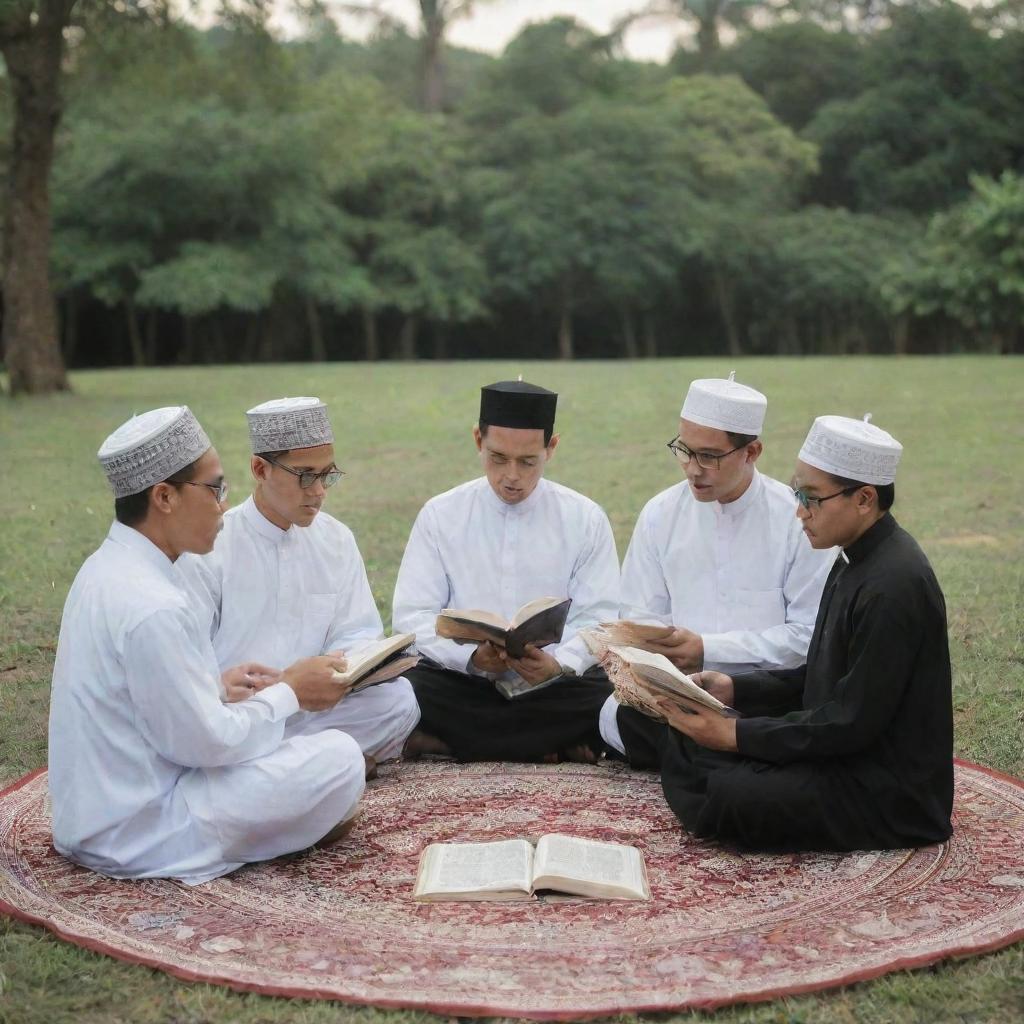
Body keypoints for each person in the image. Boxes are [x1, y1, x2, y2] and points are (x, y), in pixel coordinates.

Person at [49, 406, 366, 885]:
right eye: (215, 489)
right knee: (339, 759)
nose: (223, 505)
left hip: (95, 815)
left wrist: (214, 689)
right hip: (142, 830)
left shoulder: (106, 569)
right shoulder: (154, 604)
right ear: (164, 498)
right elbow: (206, 744)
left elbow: (144, 702)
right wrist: (290, 693)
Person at [613, 414, 954, 851]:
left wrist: (735, 736)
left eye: (812, 499)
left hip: (888, 788)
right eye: (798, 494)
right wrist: (735, 689)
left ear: (864, 499)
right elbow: (821, 674)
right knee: (692, 742)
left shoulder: (894, 585)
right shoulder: (853, 558)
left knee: (736, 792)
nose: (799, 511)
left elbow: (851, 722)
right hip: (841, 751)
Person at [177, 397, 419, 776]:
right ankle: (325, 760)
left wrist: (346, 667)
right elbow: (191, 663)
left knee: (399, 701)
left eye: (327, 475)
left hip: (314, 711)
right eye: (305, 475)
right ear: (260, 469)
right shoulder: (215, 546)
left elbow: (358, 632)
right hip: (244, 710)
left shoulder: (336, 539)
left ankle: (300, 761)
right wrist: (257, 690)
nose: (319, 490)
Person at [600, 372, 834, 757]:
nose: (693, 468)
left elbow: (809, 638)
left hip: (765, 693)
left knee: (781, 723)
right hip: (677, 695)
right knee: (618, 716)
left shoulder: (796, 521)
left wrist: (708, 649)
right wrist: (659, 659)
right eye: (684, 450)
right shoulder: (661, 514)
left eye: (709, 456)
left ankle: (706, 756)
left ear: (752, 452)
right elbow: (640, 617)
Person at [393, 379, 620, 762]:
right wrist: (468, 659)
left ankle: (452, 743)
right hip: (463, 682)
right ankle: (548, 744)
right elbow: (411, 617)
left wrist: (559, 664)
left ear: (552, 448)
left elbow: (600, 618)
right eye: (498, 458)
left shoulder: (585, 518)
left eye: (528, 461)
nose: (512, 475)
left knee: (609, 690)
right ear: (478, 441)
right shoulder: (440, 514)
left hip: (553, 685)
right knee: (403, 686)